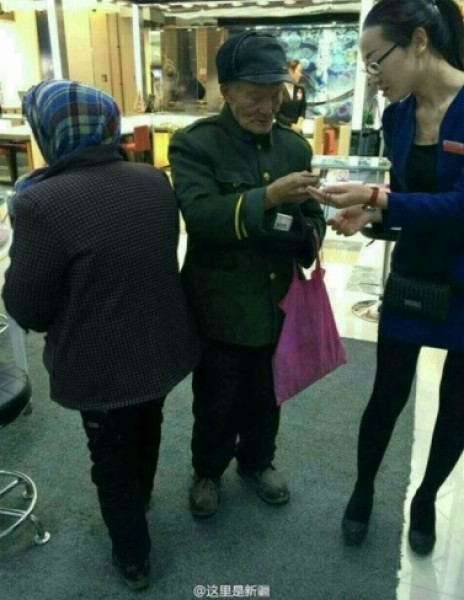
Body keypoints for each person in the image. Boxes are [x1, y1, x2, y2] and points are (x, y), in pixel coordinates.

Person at [2, 80, 199, 589]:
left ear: (47, 132)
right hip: (162, 340)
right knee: (147, 422)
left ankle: (134, 558)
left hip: (100, 359)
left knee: (109, 455)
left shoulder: (40, 202)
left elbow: (25, 305)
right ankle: (144, 495)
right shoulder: (153, 180)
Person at [307, 0, 464, 556]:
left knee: (457, 406)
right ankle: (364, 488)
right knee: (385, 395)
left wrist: (379, 198)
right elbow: (411, 198)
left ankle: (425, 498)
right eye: (366, 65)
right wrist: (371, 216)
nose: (373, 76)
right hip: (415, 274)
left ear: (419, 41)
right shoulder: (397, 116)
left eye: (377, 61)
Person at [168, 32, 326, 518]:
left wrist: (307, 236)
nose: (267, 107)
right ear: (227, 92)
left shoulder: (293, 147)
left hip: (275, 301)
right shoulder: (195, 144)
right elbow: (201, 217)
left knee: (267, 394)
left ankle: (257, 462)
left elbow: (312, 217)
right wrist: (269, 198)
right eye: (255, 96)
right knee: (217, 398)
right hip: (219, 305)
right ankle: (207, 470)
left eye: (275, 95)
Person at [276, 59, 306, 134]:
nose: (301, 75)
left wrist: (298, 125)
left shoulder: (300, 90)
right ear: (291, 71)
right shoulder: (278, 89)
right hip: (282, 130)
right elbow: (277, 113)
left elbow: (303, 108)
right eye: (299, 71)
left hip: (298, 131)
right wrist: (291, 125)